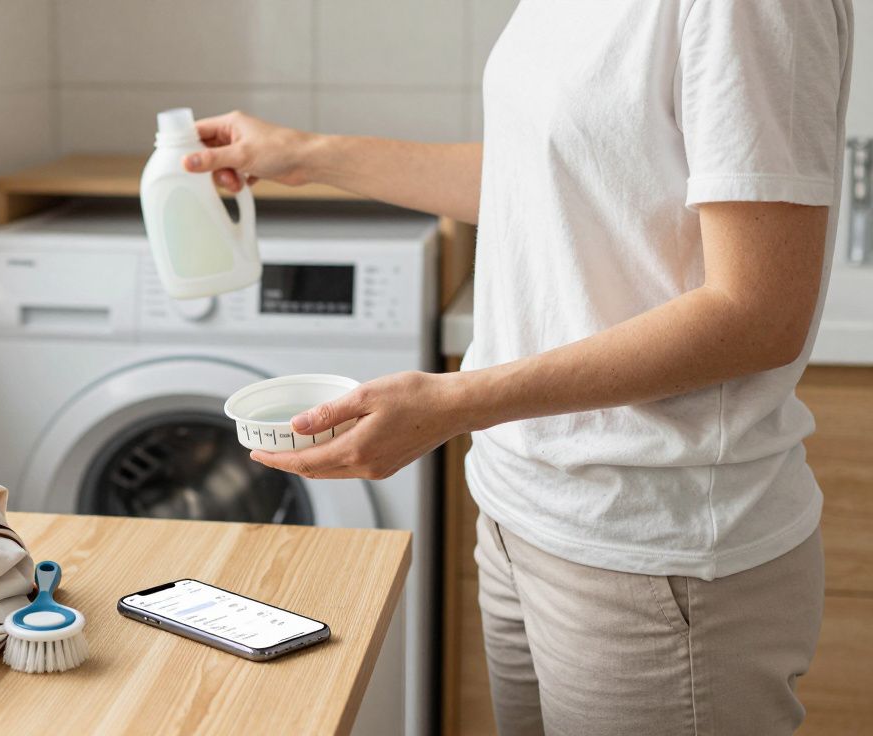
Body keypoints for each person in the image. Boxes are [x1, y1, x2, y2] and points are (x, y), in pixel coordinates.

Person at [182, 2, 853, 734]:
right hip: (520, 513)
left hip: (653, 551)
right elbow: (547, 178)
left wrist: (458, 404)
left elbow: (757, 312)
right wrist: (305, 154)